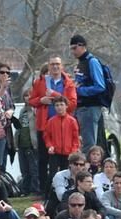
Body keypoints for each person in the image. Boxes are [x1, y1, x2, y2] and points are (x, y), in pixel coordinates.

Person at [30, 55, 78, 194]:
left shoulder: (68, 83)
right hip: (44, 124)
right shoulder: (40, 82)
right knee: (43, 159)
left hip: (64, 127)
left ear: (61, 66)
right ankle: (44, 191)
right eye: (52, 64)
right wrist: (41, 100)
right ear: (48, 66)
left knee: (63, 160)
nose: (55, 67)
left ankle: (66, 188)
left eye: (57, 64)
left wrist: (55, 94)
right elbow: (32, 100)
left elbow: (72, 104)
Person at [69, 34, 110, 153]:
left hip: (90, 107)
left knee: (89, 145)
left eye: (75, 48)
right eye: (71, 48)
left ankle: (89, 170)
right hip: (80, 107)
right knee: (81, 143)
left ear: (82, 46)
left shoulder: (92, 62)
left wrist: (79, 90)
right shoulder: (80, 63)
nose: (73, 51)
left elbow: (100, 86)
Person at [43, 97, 81, 175]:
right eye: (57, 105)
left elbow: (75, 138)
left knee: (67, 174)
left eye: (61, 105)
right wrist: (50, 146)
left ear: (66, 106)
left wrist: (73, 151)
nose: (59, 107)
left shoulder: (72, 121)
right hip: (55, 153)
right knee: (53, 174)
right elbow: (47, 136)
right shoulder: (51, 121)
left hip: (68, 153)